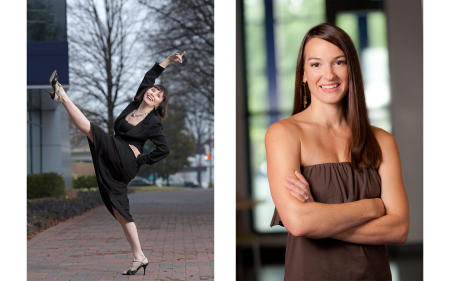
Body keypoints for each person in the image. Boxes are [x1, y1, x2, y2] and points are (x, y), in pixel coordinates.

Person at [265, 23, 409, 280]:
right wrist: (373, 207)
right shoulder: (283, 134)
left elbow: (398, 229)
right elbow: (298, 223)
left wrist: (319, 219)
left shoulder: (382, 140)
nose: (328, 75)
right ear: (303, 74)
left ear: (351, 69)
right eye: (316, 64)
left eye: (339, 62)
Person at [48, 51, 185, 275]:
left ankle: (62, 96)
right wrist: (169, 61)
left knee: (93, 131)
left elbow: (164, 149)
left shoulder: (153, 124)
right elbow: (150, 75)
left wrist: (141, 158)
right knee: (118, 209)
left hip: (127, 161)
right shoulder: (133, 106)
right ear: (145, 93)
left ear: (159, 104)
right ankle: (139, 256)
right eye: (152, 90)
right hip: (116, 153)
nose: (153, 92)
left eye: (158, 94)